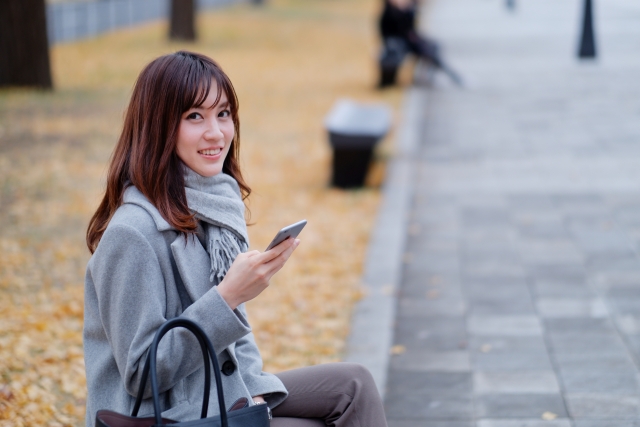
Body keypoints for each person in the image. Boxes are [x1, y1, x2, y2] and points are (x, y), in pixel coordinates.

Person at [83, 50, 388, 427]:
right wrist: (227, 297)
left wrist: (251, 388)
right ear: (158, 126)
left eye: (223, 114)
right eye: (195, 116)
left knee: (354, 384)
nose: (216, 133)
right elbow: (143, 374)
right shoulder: (132, 234)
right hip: (168, 416)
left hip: (217, 392)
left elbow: (235, 343)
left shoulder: (210, 209)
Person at [379, 0, 462, 85]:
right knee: (427, 51)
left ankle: (432, 77)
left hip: (411, 42)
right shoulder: (390, 12)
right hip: (401, 44)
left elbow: (410, 29)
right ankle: (455, 78)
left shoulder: (404, 10)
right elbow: (402, 28)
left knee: (433, 48)